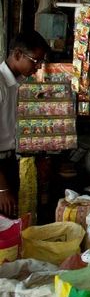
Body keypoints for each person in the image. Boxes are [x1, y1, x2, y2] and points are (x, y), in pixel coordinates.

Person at [0, 31, 49, 218]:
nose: (37, 67)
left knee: (11, 221)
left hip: (9, 161)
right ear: (18, 54)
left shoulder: (15, 84)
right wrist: (2, 190)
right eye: (35, 61)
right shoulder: (1, 85)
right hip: (1, 167)